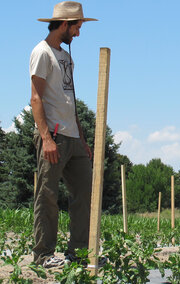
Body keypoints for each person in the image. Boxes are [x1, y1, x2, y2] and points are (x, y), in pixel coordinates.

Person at [30, 1, 97, 268]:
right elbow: (36, 98)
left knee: (85, 194)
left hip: (73, 138)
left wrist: (82, 139)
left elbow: (70, 99)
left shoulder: (67, 57)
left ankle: (78, 253)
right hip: (54, 136)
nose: (78, 34)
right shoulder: (41, 52)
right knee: (47, 195)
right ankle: (43, 255)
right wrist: (46, 138)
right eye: (77, 27)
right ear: (65, 25)